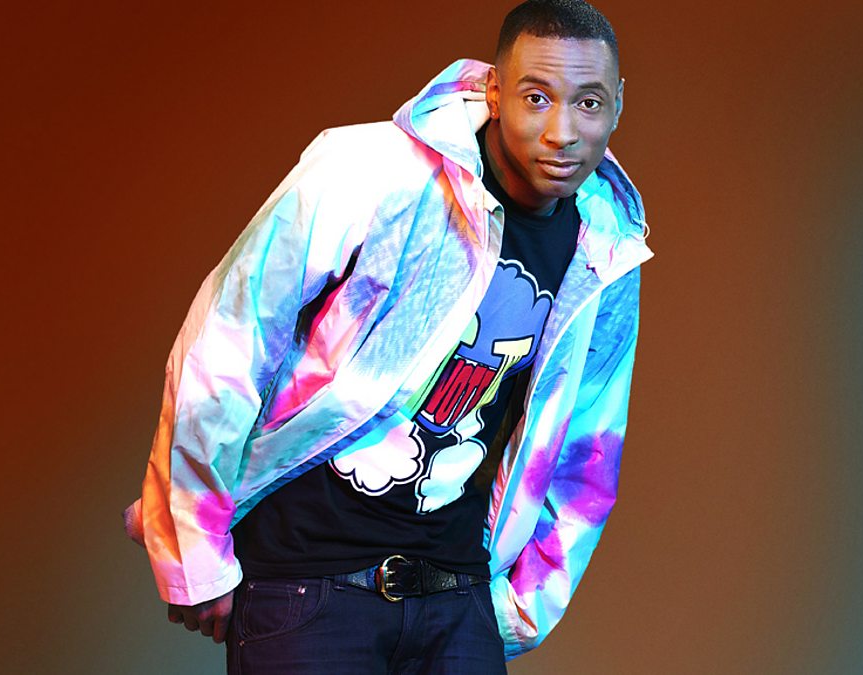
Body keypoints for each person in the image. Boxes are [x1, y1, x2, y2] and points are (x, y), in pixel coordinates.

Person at [123, 1, 651, 671]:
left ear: (617, 104)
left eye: (588, 103)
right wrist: (194, 552)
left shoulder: (604, 247)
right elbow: (229, 342)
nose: (562, 132)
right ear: (494, 90)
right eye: (536, 97)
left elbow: (587, 446)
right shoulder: (371, 170)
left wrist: (522, 607)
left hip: (456, 593)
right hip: (307, 582)